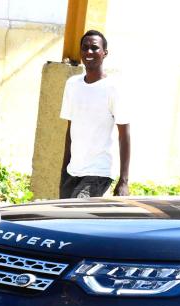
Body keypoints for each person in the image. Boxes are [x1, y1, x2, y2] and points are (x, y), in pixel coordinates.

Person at [59, 30, 130, 198]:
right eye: (85, 48)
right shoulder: (72, 84)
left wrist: (124, 180)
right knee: (62, 221)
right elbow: (70, 131)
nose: (89, 52)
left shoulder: (113, 88)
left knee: (76, 215)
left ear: (104, 53)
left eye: (94, 48)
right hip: (73, 172)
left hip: (98, 172)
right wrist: (63, 172)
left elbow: (124, 134)